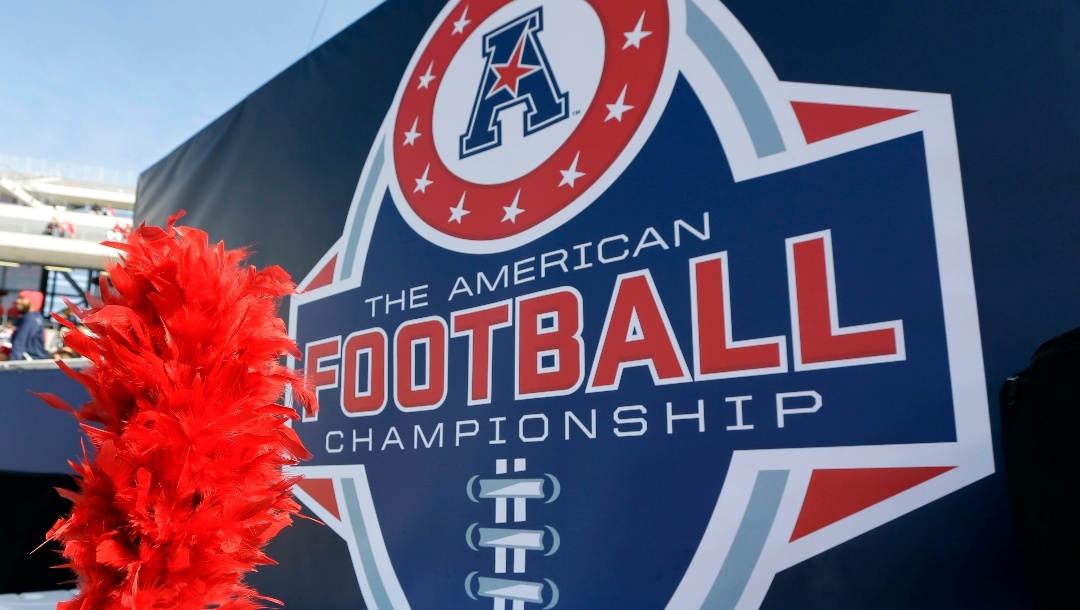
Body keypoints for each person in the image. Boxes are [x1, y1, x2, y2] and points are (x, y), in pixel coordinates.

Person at [9, 290, 49, 360]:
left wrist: (11, 365)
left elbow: (19, 342)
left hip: (29, 362)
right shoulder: (36, 317)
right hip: (34, 361)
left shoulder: (30, 318)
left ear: (32, 302)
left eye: (22, 299)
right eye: (18, 298)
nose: (17, 301)